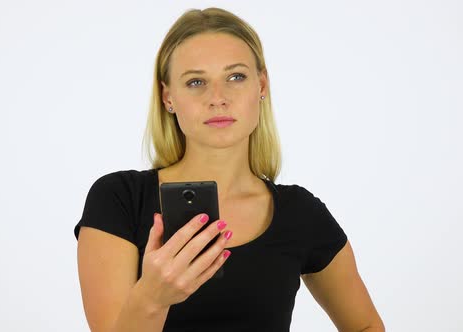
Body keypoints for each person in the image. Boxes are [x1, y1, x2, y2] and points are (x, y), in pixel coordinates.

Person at [74, 7, 384, 332]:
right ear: (168, 97)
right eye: (196, 81)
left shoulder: (300, 212)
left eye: (235, 77)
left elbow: (366, 326)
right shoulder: (119, 199)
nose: (217, 98)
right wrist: (152, 298)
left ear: (261, 85)